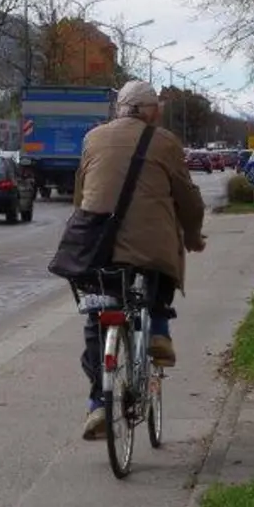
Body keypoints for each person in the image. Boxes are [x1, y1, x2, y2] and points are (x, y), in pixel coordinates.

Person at [74, 79, 206, 440]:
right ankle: (159, 329)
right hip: (151, 248)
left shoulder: (93, 138)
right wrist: (193, 236)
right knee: (159, 259)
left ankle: (98, 404)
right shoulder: (165, 142)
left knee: (98, 315)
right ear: (152, 112)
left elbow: (81, 195)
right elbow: (188, 200)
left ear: (119, 110)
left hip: (98, 246)